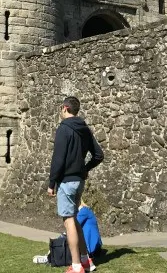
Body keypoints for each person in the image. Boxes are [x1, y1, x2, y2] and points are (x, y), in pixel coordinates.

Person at [48, 96, 104, 273]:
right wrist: (86, 168)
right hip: (79, 180)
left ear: (65, 108)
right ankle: (85, 260)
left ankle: (76, 266)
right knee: (75, 218)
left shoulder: (63, 129)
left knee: (69, 220)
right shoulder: (84, 129)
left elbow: (58, 159)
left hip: (66, 181)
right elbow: (98, 155)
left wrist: (51, 183)